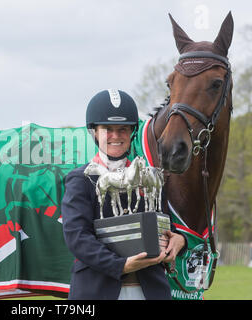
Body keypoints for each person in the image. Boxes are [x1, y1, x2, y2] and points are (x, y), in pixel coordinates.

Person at [61, 89, 187, 300]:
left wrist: (179, 240)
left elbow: (166, 227)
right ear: (95, 132)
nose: (116, 136)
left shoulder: (151, 178)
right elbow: (77, 237)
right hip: (98, 291)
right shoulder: (80, 179)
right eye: (107, 129)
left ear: (131, 133)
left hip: (151, 290)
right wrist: (121, 265)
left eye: (123, 129)